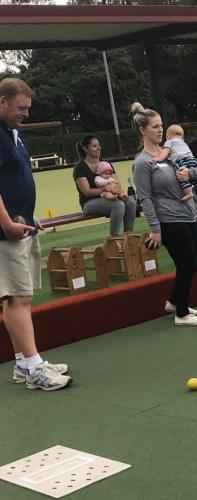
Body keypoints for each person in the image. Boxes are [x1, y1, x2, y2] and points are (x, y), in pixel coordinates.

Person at [0, 78, 71, 390]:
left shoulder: (13, 135)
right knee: (17, 297)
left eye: (28, 108)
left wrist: (30, 217)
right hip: (7, 233)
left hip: (22, 224)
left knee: (22, 295)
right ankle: (33, 368)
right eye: (20, 107)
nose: (25, 113)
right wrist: (6, 223)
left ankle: (22, 363)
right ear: (2, 102)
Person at [131, 102, 197, 326]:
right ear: (142, 130)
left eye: (161, 126)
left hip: (187, 212)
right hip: (167, 218)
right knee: (186, 262)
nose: (159, 130)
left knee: (195, 263)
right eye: (154, 127)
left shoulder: (172, 150)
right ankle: (181, 313)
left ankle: (174, 301)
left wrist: (188, 173)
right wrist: (155, 229)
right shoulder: (142, 163)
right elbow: (144, 198)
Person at [73, 135, 136, 236]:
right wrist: (105, 189)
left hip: (110, 197)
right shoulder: (80, 168)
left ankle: (129, 235)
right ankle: (114, 239)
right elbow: (87, 192)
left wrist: (114, 188)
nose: (99, 148)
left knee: (131, 202)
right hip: (89, 202)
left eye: (99, 145)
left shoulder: (106, 164)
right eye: (94, 146)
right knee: (118, 205)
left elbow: (117, 184)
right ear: (85, 148)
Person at [153, 124, 197, 203]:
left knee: (181, 175)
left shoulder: (169, 142)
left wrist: (158, 158)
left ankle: (188, 193)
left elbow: (165, 152)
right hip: (192, 159)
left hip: (181, 161)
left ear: (168, 136)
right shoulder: (183, 143)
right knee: (193, 172)